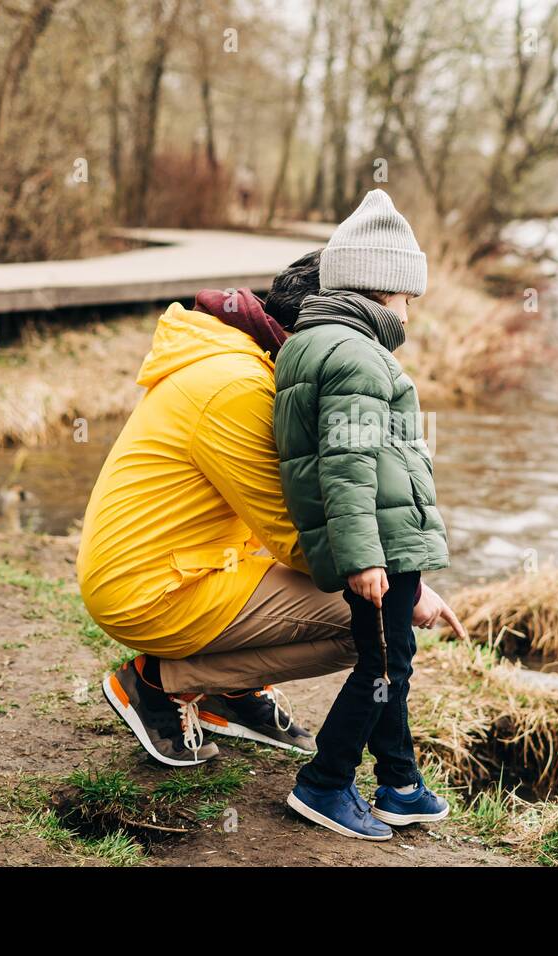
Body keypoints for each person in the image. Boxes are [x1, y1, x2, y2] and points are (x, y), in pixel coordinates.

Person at [76, 249, 466, 769]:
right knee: (371, 619)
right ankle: (158, 683)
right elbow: (294, 535)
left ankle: (230, 691)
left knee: (372, 600)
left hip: (194, 564)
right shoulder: (239, 386)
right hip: (152, 589)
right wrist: (404, 586)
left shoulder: (240, 357)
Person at [274, 190, 462, 841]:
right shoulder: (357, 356)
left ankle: (400, 782)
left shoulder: (313, 342)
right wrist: (364, 557)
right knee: (381, 669)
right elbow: (348, 466)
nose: (411, 312)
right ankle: (325, 782)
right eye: (409, 297)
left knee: (392, 661)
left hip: (383, 543)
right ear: (383, 289)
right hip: (379, 544)